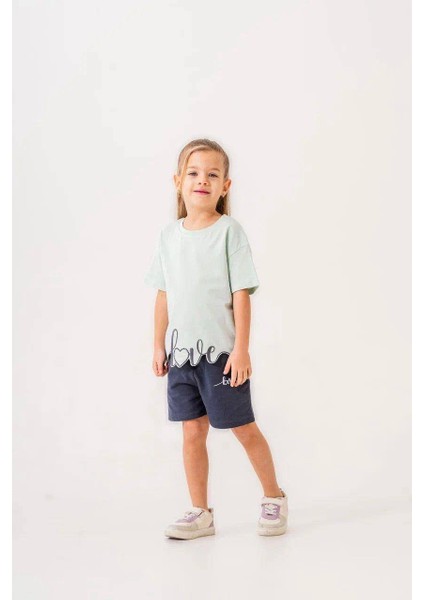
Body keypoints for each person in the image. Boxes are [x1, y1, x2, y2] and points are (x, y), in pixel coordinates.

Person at [144, 138, 288, 540]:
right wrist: (157, 345)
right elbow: (163, 295)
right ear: (178, 181)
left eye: (212, 174)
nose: (202, 180)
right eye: (193, 173)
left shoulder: (229, 232)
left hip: (221, 358)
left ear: (225, 186)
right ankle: (200, 511)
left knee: (243, 428)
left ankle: (274, 496)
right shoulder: (168, 237)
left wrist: (241, 349)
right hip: (181, 359)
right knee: (192, 432)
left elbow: (241, 294)